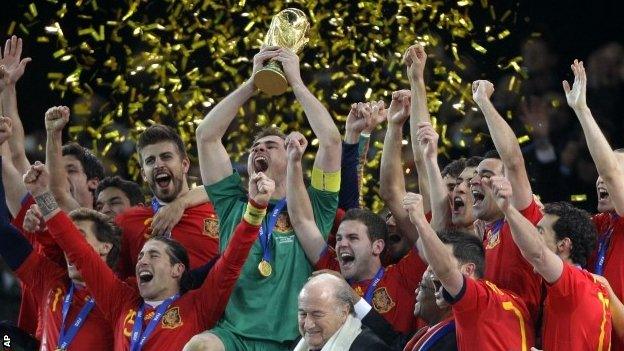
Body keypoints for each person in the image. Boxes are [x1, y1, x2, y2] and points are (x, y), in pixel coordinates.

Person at [23, 161, 273, 350]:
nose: (142, 260)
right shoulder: (121, 302)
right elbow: (79, 251)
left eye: (153, 255)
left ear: (178, 269)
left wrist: (257, 207)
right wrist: (42, 195)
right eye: (141, 255)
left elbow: (232, 259)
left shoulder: (198, 305)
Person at [192, 46, 341, 350]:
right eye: (254, 148)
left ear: (289, 154)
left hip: (294, 341)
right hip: (235, 336)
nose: (259, 149)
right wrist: (252, 83)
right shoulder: (232, 203)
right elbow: (206, 135)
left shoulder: (316, 206)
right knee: (199, 346)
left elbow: (331, 141)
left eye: (271, 145)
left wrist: (296, 83)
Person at [287, 130, 426, 334]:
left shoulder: (404, 275)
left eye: (353, 237)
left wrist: (395, 125)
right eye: (340, 237)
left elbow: (392, 191)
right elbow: (302, 221)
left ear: (377, 246)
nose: (342, 243)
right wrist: (294, 162)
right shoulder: (333, 269)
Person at [488, 175, 611, 350]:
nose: (534, 239)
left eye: (540, 233)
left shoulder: (575, 285)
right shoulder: (567, 288)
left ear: (563, 244)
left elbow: (537, 253)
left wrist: (508, 209)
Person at [403, 192, 534, 350]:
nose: (433, 274)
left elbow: (446, 270)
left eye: (437, 262)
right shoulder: (510, 301)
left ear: (468, 269)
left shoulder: (476, 302)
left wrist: (420, 221)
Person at [470, 79, 544, 322]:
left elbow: (513, 160)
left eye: (487, 176)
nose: (474, 182)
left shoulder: (523, 216)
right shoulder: (483, 232)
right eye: (475, 176)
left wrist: (483, 101)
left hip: (518, 333)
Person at [563, 59, 624, 351]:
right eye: (598, 172)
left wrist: (582, 110)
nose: (602, 178)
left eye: (611, 171)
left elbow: (611, 173)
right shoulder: (599, 225)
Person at [116, 124, 218, 279]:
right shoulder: (128, 222)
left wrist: (181, 203)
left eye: (166, 157)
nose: (158, 165)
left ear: (185, 164)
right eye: (150, 161)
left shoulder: (218, 208)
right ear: (144, 174)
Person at [293, 273, 390, 351]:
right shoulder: (298, 343)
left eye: (317, 314)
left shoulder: (370, 347)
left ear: (343, 313)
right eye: (303, 314)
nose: (307, 325)